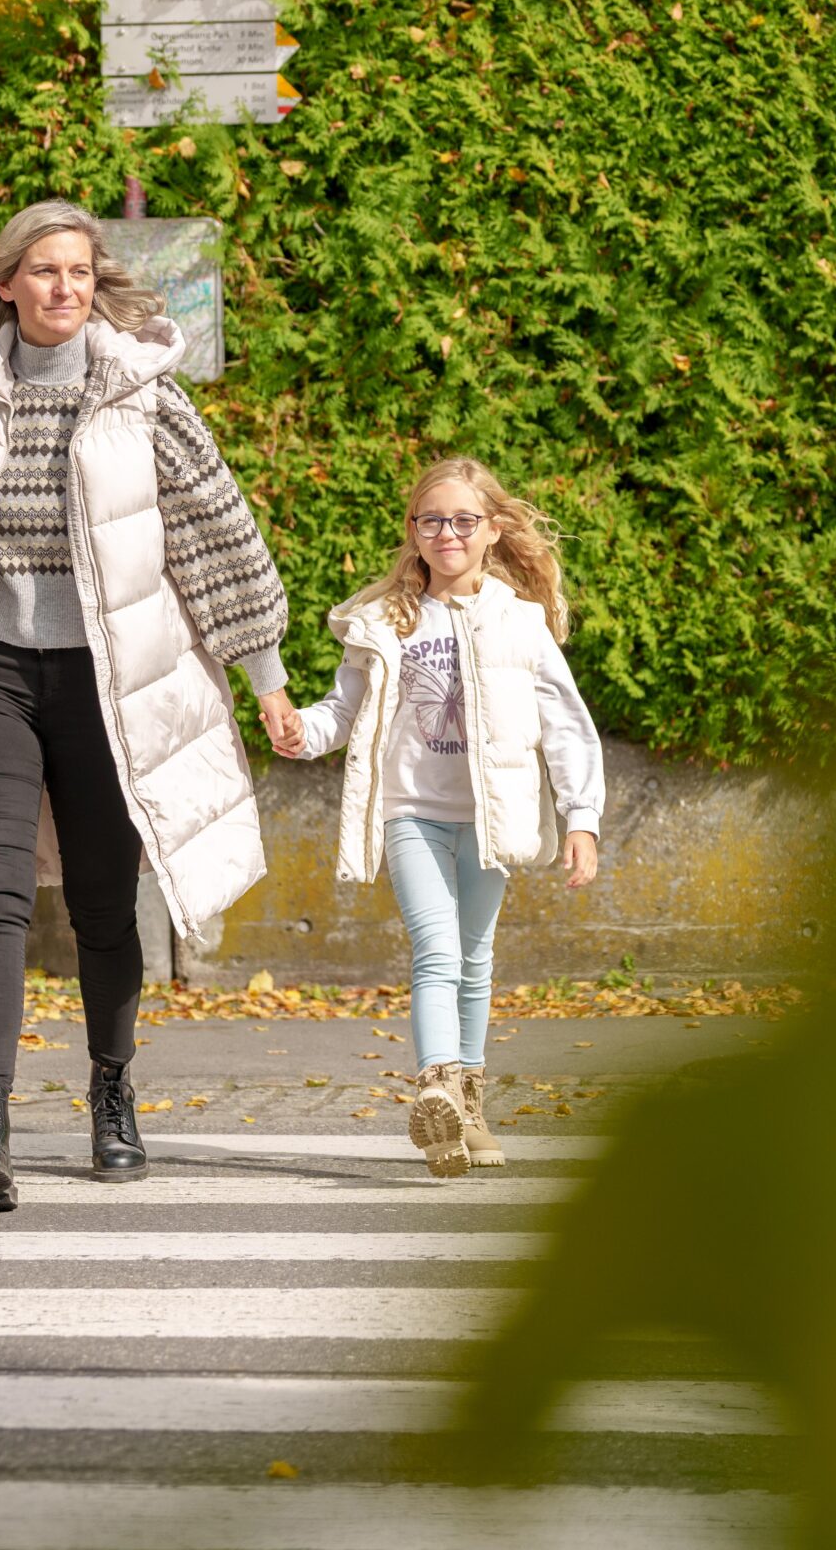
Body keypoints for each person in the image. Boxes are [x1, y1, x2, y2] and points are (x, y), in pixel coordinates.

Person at [0, 199, 296, 1214]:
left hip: (106, 680)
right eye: (43, 271)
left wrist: (264, 674)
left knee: (102, 903)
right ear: (5, 283)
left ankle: (110, 1093)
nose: (63, 288)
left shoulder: (143, 396)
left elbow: (220, 533)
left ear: (97, 285)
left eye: (80, 273)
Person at [270, 457, 604, 1176]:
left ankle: (470, 1105)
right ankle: (437, 1087)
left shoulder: (521, 624)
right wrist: (304, 731)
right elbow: (343, 710)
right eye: (431, 520)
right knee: (437, 948)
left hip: (490, 819)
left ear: (492, 530)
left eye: (462, 520)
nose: (446, 532)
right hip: (411, 811)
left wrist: (582, 818)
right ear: (413, 531)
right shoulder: (386, 619)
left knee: (476, 960)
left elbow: (568, 726)